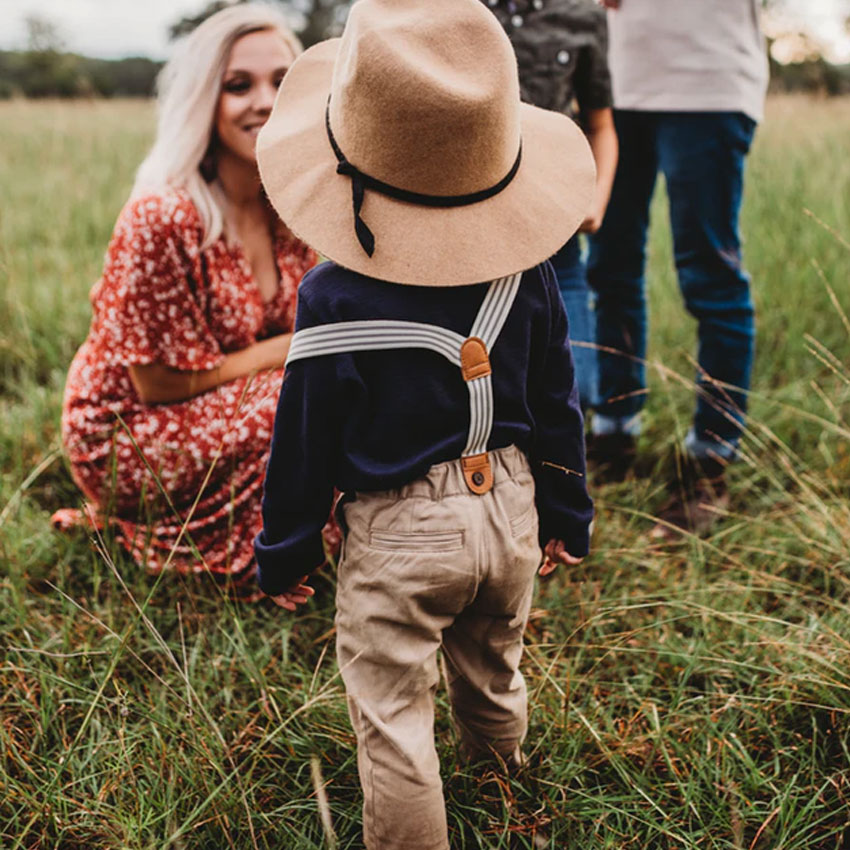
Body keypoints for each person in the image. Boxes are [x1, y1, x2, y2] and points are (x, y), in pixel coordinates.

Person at [253, 1, 595, 847]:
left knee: (395, 708)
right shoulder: (534, 272)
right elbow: (559, 404)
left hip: (401, 530)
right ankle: (506, 788)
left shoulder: (330, 296)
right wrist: (569, 513)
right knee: (494, 667)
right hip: (512, 509)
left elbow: (304, 439)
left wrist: (286, 547)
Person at [57, 5, 323, 583]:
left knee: (341, 388)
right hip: (129, 428)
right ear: (205, 100)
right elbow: (155, 383)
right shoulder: (165, 214)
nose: (266, 100)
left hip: (226, 399)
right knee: (305, 402)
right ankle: (177, 538)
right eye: (238, 85)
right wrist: (287, 353)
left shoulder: (293, 205)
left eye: (282, 81)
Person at [586, 0, 768, 534]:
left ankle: (710, 462)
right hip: (610, 82)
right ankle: (613, 435)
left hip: (708, 82)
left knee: (710, 275)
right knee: (608, 267)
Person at [482, 0, 618, 411]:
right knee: (483, 378)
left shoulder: (583, 16)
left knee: (571, 385)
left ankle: (570, 467)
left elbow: (601, 125)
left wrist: (596, 197)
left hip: (553, 232)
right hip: (471, 223)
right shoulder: (458, 8)